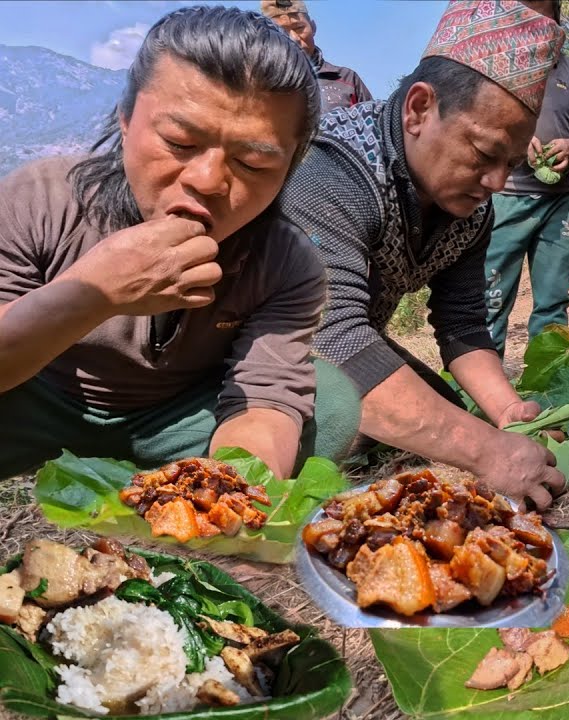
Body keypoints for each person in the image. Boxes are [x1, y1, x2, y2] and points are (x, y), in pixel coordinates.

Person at [0, 6, 359, 481]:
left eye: (252, 163)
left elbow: (266, 400)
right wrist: (94, 293)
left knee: (330, 405)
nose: (208, 180)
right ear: (126, 119)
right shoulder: (39, 198)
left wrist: (227, 496)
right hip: (32, 395)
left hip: (172, 420)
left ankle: (166, 498)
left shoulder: (287, 262)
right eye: (179, 142)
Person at [279, 0, 568, 509]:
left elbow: (462, 325)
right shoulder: (330, 172)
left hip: (348, 342)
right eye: (483, 155)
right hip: (272, 351)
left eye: (510, 163)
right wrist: (483, 451)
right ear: (418, 109)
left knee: (444, 410)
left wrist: (506, 412)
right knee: (345, 416)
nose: (497, 183)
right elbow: (332, 339)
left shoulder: (470, 211)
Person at [483, 0, 569, 357]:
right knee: (490, 300)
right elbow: (473, 126)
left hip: (560, 204)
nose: (534, 27)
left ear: (558, 26)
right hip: (504, 199)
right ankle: (478, 393)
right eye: (524, 19)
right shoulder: (497, 68)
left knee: (554, 304)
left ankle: (549, 382)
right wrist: (515, 143)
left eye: (543, 19)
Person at [261, 0, 373, 113]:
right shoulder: (259, 86)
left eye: (299, 28)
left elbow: (374, 125)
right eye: (281, 32)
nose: (294, 38)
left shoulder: (347, 79)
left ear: (313, 27)